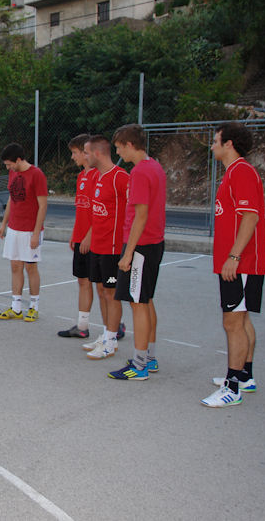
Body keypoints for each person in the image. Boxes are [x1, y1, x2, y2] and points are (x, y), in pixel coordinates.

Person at [201, 122, 265, 408]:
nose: (212, 146)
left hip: (242, 263)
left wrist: (234, 257)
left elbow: (250, 217)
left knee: (232, 322)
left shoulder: (241, 171)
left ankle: (232, 388)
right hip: (237, 262)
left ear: (229, 144)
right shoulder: (233, 173)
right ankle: (244, 376)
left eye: (216, 141)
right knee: (241, 319)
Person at [108, 124, 167, 381]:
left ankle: (140, 365)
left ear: (130, 145)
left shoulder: (141, 171)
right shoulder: (155, 166)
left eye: (119, 147)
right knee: (146, 300)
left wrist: (128, 253)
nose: (118, 152)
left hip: (141, 245)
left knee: (138, 304)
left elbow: (141, 215)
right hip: (153, 243)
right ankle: (149, 357)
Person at [81, 135, 128, 359]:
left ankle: (111, 340)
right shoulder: (96, 177)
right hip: (97, 246)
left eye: (87, 152)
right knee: (101, 291)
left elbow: (136, 210)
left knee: (111, 294)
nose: (85, 156)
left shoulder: (121, 177)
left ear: (97, 153)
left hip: (113, 247)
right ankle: (106, 334)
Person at [0, 143, 48, 322]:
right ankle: (16, 307)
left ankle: (34, 307)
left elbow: (43, 206)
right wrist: (4, 223)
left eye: (9, 164)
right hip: (14, 228)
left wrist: (36, 234)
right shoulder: (13, 173)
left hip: (30, 230)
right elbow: (12, 198)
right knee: (15, 266)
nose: (8, 168)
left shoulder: (37, 174)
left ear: (18, 160)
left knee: (30, 267)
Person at [57, 134, 98, 339]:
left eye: (74, 152)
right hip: (81, 238)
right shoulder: (81, 176)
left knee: (104, 287)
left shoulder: (99, 176)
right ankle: (82, 326)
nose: (72, 157)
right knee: (83, 281)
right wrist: (75, 235)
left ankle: (115, 325)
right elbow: (81, 210)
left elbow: (100, 212)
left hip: (95, 240)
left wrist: (89, 236)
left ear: (85, 152)